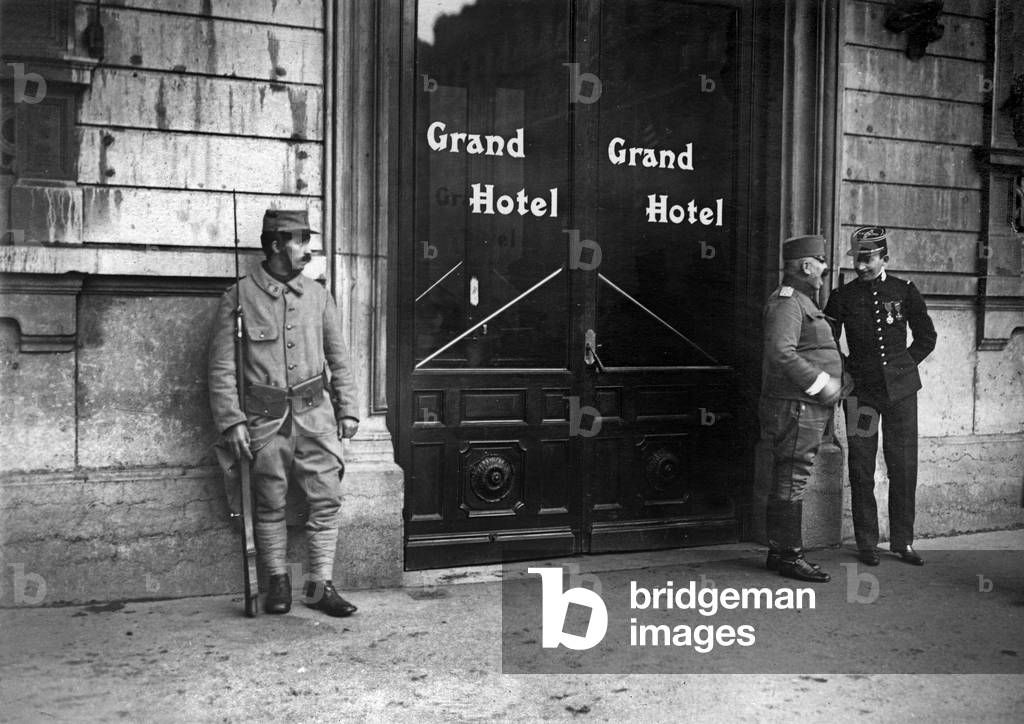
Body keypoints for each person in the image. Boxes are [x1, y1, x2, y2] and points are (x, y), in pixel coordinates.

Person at [208, 209, 361, 616]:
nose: (308, 250)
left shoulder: (318, 296)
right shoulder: (238, 297)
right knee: (269, 502)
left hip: (316, 418)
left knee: (327, 500)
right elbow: (222, 368)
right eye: (300, 241)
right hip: (265, 422)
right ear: (276, 245)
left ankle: (320, 586)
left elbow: (339, 358)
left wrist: (348, 409)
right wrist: (232, 420)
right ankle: (277, 582)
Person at [824, 226, 936, 566]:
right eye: (858, 259)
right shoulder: (842, 296)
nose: (861, 266)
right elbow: (827, 340)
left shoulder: (904, 291)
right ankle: (867, 544)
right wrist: (845, 370)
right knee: (861, 467)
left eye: (868, 259)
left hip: (901, 395)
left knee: (903, 467)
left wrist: (903, 367)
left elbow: (926, 337)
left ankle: (903, 542)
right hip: (862, 396)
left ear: (884, 258)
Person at [760, 234, 848, 583]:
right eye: (821, 261)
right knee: (792, 476)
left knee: (789, 475)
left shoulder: (801, 301)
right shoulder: (788, 302)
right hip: (797, 405)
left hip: (804, 406)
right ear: (806, 265)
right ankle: (790, 557)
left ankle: (778, 552)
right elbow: (781, 352)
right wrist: (821, 384)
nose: (825, 268)